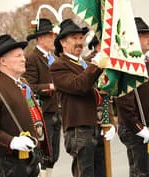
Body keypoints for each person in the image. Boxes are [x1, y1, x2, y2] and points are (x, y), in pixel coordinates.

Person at [0, 34, 51, 177]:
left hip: (31, 157)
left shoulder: (24, 84)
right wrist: (11, 141)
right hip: (10, 162)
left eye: (22, 55)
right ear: (3, 61)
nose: (23, 59)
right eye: (18, 56)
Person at [50, 18, 107, 177]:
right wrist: (95, 64)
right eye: (74, 38)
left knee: (101, 173)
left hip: (95, 126)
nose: (79, 42)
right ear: (63, 42)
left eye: (81, 38)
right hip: (78, 129)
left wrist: (109, 121)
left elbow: (101, 93)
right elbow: (79, 86)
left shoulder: (85, 64)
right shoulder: (58, 66)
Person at [23, 18, 61, 177]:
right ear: (40, 38)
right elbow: (29, 86)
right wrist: (49, 87)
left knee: (54, 154)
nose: (53, 39)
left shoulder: (54, 58)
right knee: (44, 153)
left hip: (57, 111)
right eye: (50, 36)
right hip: (44, 112)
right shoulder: (32, 58)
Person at [115, 17, 149, 177]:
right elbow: (124, 100)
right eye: (144, 35)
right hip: (134, 127)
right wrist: (139, 128)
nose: (148, 38)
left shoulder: (145, 62)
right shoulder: (126, 64)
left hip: (145, 125)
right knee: (140, 172)